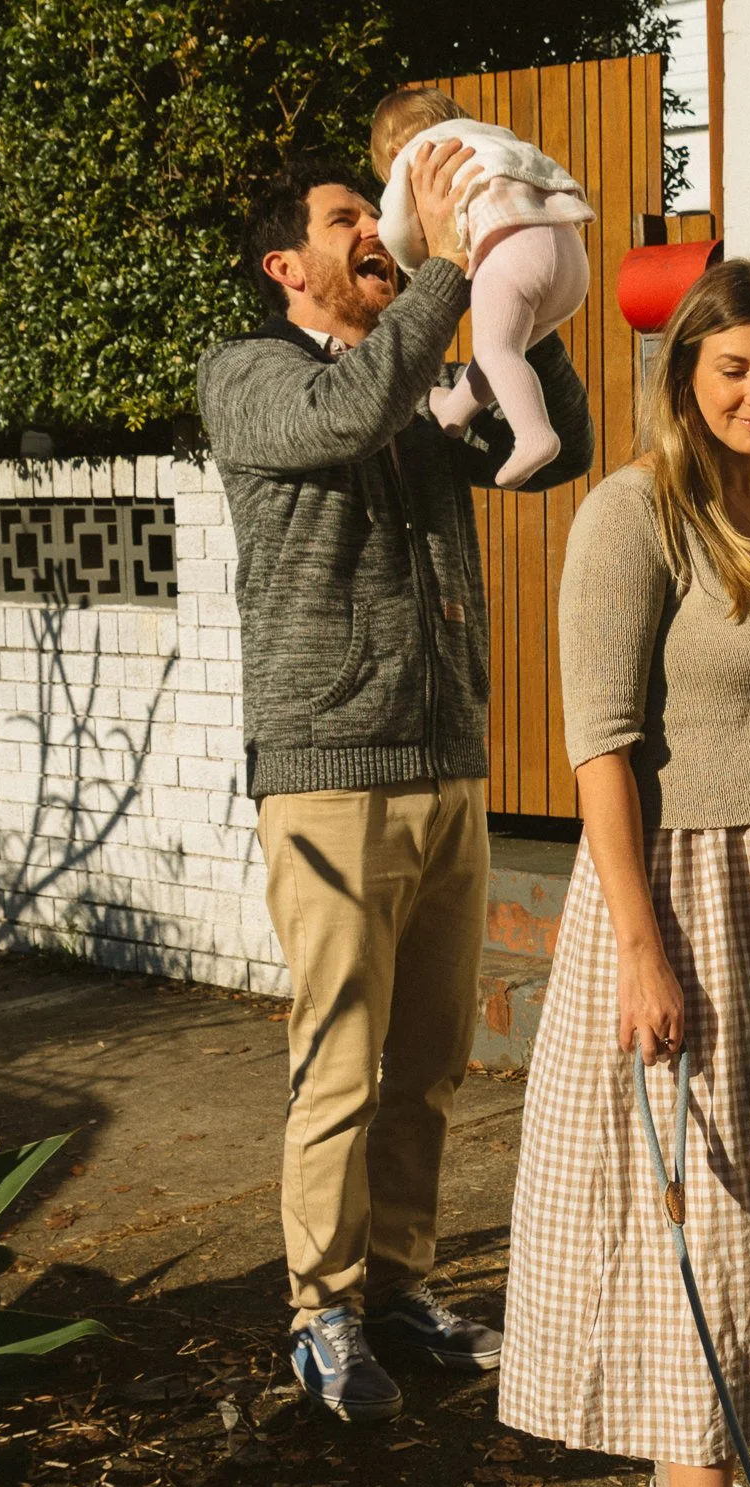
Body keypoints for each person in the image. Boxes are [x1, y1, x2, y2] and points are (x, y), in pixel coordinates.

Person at [499, 257, 750, 1487]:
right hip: (690, 890)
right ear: (687, 374)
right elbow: (601, 746)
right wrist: (638, 946)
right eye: (735, 369)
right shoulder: (635, 517)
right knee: (705, 1211)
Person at [199, 148, 595, 1422]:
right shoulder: (248, 375)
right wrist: (432, 271)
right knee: (340, 1061)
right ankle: (320, 1309)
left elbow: (566, 444)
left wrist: (514, 290)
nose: (373, 230)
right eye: (346, 221)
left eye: (371, 214)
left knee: (429, 1059)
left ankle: (402, 1289)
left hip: (445, 761)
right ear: (287, 266)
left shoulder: (417, 369)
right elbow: (345, 419)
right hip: (327, 778)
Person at [371, 85, 593, 488]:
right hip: (570, 255)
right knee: (506, 350)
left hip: (511, 251)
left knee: (497, 349)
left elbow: (398, 230)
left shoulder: (416, 157)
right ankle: (454, 410)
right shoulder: (495, 137)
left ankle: (534, 435)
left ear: (392, 151)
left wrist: (421, 267)